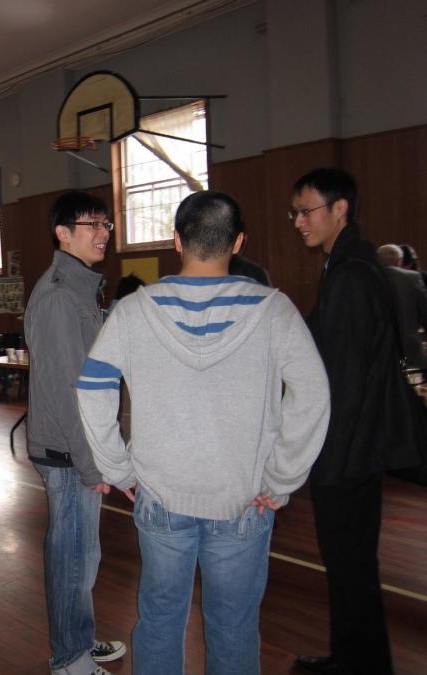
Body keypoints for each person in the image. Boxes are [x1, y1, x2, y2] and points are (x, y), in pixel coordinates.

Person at [76, 191, 330, 674]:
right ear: (238, 242)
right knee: (234, 627)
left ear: (177, 240)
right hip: (245, 498)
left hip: (159, 496)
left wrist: (118, 468)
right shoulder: (274, 310)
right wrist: (282, 476)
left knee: (159, 620)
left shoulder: (133, 310)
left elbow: (92, 387)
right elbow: (313, 394)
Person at [290, 168, 424, 675]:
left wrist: (324, 458)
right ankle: (355, 659)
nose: (299, 222)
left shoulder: (349, 275)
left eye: (307, 211)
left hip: (348, 449)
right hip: (360, 445)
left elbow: (342, 379)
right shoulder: (352, 264)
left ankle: (359, 663)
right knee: (353, 566)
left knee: (349, 565)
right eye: (295, 213)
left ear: (340, 208)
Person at [24, 190, 125, 675]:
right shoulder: (60, 295)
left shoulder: (82, 288)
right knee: (73, 559)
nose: (103, 233)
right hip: (69, 452)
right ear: (63, 233)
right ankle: (70, 660)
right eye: (92, 224)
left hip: (79, 448)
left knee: (84, 555)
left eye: (106, 224)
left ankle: (78, 640)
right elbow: (66, 390)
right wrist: (90, 464)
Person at [376, 244, 427, 369]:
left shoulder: (366, 278)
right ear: (399, 260)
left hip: (379, 353)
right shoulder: (412, 277)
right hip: (411, 350)